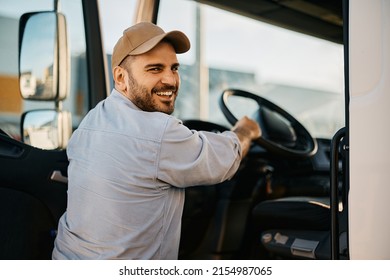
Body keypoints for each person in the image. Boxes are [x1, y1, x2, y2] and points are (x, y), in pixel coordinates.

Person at [52, 22, 261, 260]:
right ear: (121, 78)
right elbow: (224, 160)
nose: (170, 80)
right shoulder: (157, 132)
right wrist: (246, 131)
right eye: (155, 69)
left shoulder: (91, 122)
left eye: (174, 68)